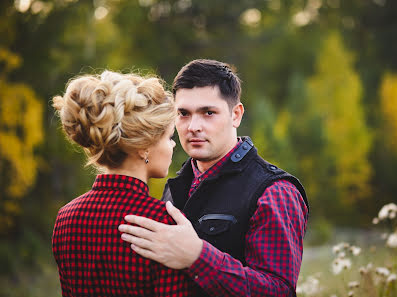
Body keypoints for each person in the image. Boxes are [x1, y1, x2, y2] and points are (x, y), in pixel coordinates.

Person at [119, 59, 310, 297]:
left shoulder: (274, 191)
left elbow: (278, 292)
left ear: (236, 115)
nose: (193, 127)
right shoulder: (174, 187)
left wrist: (198, 256)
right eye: (184, 114)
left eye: (208, 113)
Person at [51, 71, 199, 296]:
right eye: (169, 137)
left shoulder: (66, 218)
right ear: (144, 147)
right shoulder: (162, 223)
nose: (173, 146)